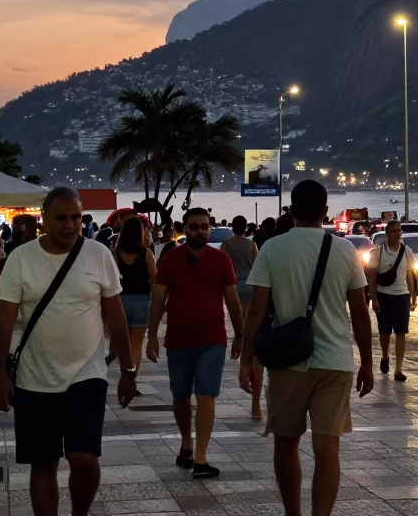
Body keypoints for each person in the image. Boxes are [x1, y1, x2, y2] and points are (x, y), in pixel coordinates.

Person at [0, 187, 136, 516]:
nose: (70, 224)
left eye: (75, 217)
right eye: (61, 218)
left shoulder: (98, 254)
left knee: (84, 458)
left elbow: (116, 316)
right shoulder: (21, 259)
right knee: (44, 463)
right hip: (34, 378)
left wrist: (128, 371)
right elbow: (3, 320)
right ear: (43, 219)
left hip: (87, 374)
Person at [240, 180, 373, 516]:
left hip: (288, 361)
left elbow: (257, 309)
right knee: (328, 449)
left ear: (291, 210)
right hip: (334, 362)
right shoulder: (344, 250)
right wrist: (368, 363)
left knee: (286, 443)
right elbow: (360, 312)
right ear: (326, 212)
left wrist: (246, 357)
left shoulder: (272, 248)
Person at [146, 207, 241, 479]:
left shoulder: (221, 260)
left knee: (206, 395)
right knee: (180, 396)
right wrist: (152, 336)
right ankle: (186, 443)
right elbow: (158, 299)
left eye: (204, 226)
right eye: (194, 226)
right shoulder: (170, 259)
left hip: (212, 339)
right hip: (178, 339)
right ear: (184, 228)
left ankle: (201, 457)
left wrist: (240, 335)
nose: (200, 231)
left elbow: (232, 300)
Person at [221, 215, 261, 418]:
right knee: (247, 317)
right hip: (249, 283)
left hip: (233, 284)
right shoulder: (251, 244)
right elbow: (257, 265)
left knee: (235, 315)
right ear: (245, 228)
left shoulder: (226, 244)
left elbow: (221, 264)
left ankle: (239, 340)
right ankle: (245, 343)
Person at [109, 218, 156, 386]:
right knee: (136, 343)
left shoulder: (115, 253)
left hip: (120, 300)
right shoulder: (146, 253)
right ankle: (131, 379)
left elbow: (110, 279)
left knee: (123, 341)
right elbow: (155, 279)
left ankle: (120, 366)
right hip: (142, 300)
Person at [367, 220, 417, 382]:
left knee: (401, 332)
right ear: (388, 233)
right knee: (385, 333)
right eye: (395, 231)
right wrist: (374, 299)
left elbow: (410, 275)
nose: (398, 234)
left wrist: (413, 297)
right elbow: (372, 278)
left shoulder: (406, 251)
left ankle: (398, 369)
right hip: (384, 295)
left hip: (402, 296)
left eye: (399, 231)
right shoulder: (378, 252)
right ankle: (384, 356)